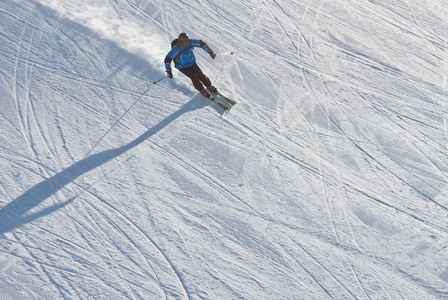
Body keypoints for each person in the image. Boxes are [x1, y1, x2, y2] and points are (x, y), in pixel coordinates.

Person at [164, 33, 218, 98]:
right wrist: (169, 71)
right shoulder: (176, 49)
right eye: (184, 42)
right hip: (182, 66)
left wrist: (210, 52)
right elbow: (167, 59)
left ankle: (208, 85)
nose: (186, 43)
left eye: (187, 40)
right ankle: (201, 89)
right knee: (194, 77)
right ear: (180, 42)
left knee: (200, 75)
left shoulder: (190, 43)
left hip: (192, 63)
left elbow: (201, 43)